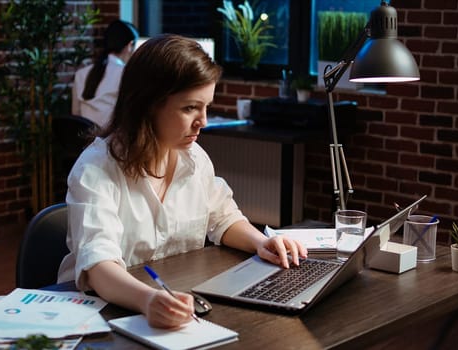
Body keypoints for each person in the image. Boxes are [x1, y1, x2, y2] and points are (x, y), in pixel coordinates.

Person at [58, 34, 307, 329]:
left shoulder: (194, 158)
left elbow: (223, 217)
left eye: (206, 106)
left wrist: (262, 242)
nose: (202, 120)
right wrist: (148, 300)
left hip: (176, 304)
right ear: (148, 104)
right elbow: (99, 267)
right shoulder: (96, 169)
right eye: (190, 108)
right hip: (100, 314)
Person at [71, 19, 138, 127]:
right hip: (112, 140)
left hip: (85, 140)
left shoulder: (81, 74)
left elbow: (76, 114)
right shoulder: (126, 74)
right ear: (130, 45)